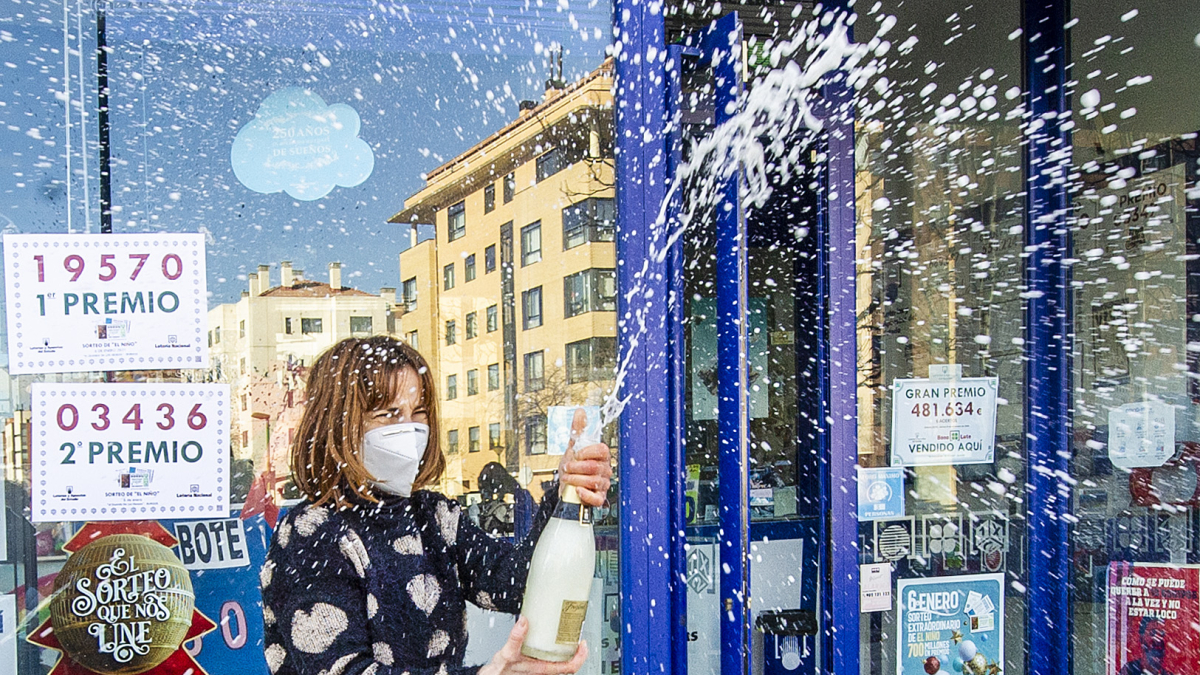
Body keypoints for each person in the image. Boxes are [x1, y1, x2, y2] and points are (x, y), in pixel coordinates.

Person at [260, 336, 612, 675]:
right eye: (388, 413)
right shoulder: (312, 533)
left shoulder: (432, 516)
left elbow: (516, 583)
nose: (410, 429)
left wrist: (566, 493)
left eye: (419, 412)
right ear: (337, 424)